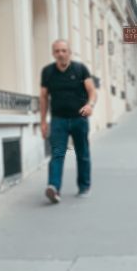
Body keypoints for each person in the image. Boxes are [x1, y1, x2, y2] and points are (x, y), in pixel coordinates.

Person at [39, 39, 97, 203]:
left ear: (69, 53)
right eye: (57, 51)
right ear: (53, 54)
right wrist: (43, 121)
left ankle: (84, 186)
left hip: (79, 118)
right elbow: (43, 97)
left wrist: (90, 105)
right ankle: (53, 187)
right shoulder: (48, 72)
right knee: (57, 153)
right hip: (58, 120)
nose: (61, 54)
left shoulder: (80, 69)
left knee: (82, 153)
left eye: (64, 50)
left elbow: (92, 91)